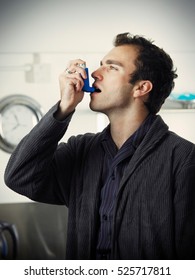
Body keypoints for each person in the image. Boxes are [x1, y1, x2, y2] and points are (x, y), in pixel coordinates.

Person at [4, 32, 195, 260]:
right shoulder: (80, 151)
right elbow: (19, 177)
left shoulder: (183, 159)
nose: (94, 73)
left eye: (112, 67)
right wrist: (64, 108)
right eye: (101, 65)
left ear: (141, 88)